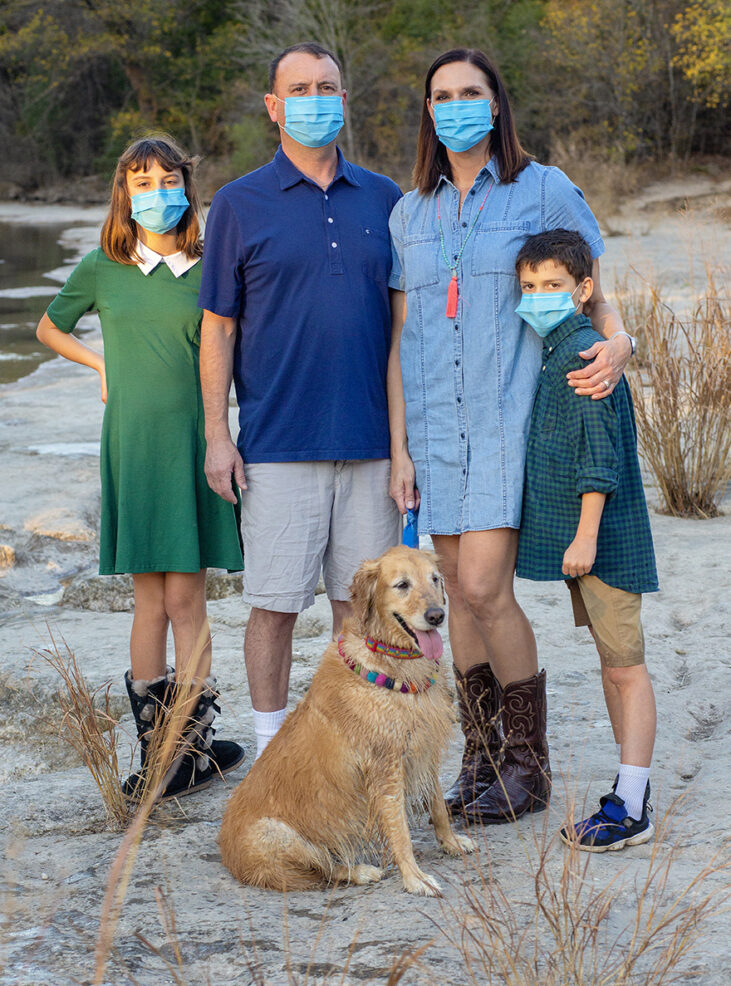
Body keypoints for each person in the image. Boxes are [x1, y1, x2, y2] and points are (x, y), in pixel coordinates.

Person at [387, 48, 637, 824]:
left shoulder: (542, 188)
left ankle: (527, 767)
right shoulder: (408, 213)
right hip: (432, 430)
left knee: (486, 591)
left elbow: (593, 286)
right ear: (427, 111)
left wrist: (620, 340)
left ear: (495, 105)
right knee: (452, 595)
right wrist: (399, 448)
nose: (455, 105)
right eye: (441, 95)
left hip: (507, 424)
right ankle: (481, 757)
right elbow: (398, 339)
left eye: (471, 92)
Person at [198, 42, 402, 758]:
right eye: (300, 88)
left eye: (327, 87)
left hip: (373, 447)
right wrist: (216, 435)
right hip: (278, 446)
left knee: (364, 611)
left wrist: (408, 448)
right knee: (274, 607)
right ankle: (270, 748)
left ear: (343, 100)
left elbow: (406, 331)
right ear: (273, 106)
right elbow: (217, 328)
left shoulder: (385, 198)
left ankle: (359, 746)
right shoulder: (237, 203)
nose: (316, 99)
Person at [36, 135, 245, 801]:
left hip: (193, 440)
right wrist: (104, 366)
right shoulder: (104, 264)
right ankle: (160, 753)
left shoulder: (210, 264)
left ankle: (194, 744)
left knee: (188, 594)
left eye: (166, 179)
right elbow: (48, 326)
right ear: (124, 192)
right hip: (131, 442)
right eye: (141, 181)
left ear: (187, 184)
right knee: (149, 597)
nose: (156, 191)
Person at [514, 228, 658, 850]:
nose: (539, 296)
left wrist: (586, 537)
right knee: (610, 667)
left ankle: (631, 807)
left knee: (627, 669)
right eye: (528, 287)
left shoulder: (584, 356)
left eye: (552, 286)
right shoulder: (558, 347)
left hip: (604, 544)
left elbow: (599, 460)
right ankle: (629, 788)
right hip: (590, 545)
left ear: (583, 290)